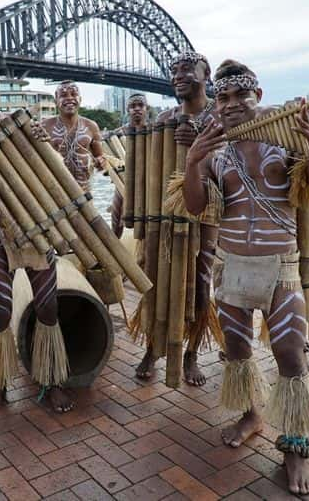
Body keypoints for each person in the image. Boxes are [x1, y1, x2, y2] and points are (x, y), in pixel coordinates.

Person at [182, 59, 309, 495]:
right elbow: (196, 206)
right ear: (216, 104)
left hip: (280, 268)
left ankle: (296, 449)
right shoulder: (217, 150)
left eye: (242, 95)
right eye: (223, 97)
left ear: (258, 95)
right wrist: (193, 162)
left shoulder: (285, 142)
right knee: (236, 351)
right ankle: (251, 415)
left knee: (291, 356)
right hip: (232, 266)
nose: (233, 104)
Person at [0, 62, 74, 414]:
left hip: (35, 231)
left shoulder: (21, 126)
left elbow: (50, 175)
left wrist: (43, 144)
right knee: (1, 310)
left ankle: (52, 379)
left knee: (48, 307)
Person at [133, 52, 218, 386]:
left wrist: (200, 146)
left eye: (187, 69)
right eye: (174, 71)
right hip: (165, 214)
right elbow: (149, 166)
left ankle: (191, 352)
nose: (178, 75)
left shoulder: (219, 114)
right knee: (155, 277)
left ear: (205, 73)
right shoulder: (165, 117)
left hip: (206, 211)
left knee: (200, 282)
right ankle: (154, 345)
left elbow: (232, 160)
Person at [37, 81, 105, 192]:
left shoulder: (91, 126)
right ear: (56, 101)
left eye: (74, 94)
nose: (69, 98)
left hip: (84, 192)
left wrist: (100, 162)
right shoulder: (44, 126)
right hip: (55, 193)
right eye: (63, 95)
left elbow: (101, 160)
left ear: (80, 99)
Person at [109, 93, 148, 238]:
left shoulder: (154, 131)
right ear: (127, 110)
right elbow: (108, 162)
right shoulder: (118, 135)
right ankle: (114, 247)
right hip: (123, 182)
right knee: (116, 215)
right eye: (133, 106)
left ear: (146, 108)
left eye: (140, 105)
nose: (137, 109)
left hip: (148, 183)